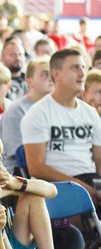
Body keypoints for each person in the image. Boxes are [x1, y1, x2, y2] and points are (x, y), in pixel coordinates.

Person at [21, 48, 101, 202]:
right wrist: (77, 185)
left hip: (90, 179)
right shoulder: (38, 113)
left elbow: (99, 160)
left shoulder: (90, 113)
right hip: (57, 185)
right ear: (56, 73)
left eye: (83, 67)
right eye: (74, 68)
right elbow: (36, 167)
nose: (82, 73)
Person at [0, 58, 52, 172]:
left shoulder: (56, 108)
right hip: (19, 175)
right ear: (29, 82)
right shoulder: (17, 110)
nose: (51, 78)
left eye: (52, 74)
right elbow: (20, 155)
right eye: (44, 74)